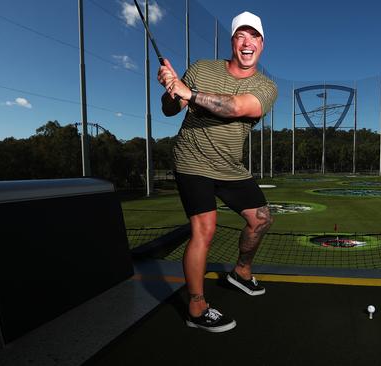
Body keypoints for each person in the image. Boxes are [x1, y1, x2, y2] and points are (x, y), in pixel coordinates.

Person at [157, 11, 277, 333]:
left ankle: (241, 271)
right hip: (192, 160)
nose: (247, 42)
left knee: (261, 217)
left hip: (230, 165)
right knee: (205, 229)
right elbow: (171, 109)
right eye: (241, 35)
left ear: (262, 44)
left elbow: (237, 107)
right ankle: (196, 308)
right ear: (233, 41)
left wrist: (189, 93)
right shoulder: (202, 68)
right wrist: (171, 88)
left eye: (253, 36)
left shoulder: (266, 87)